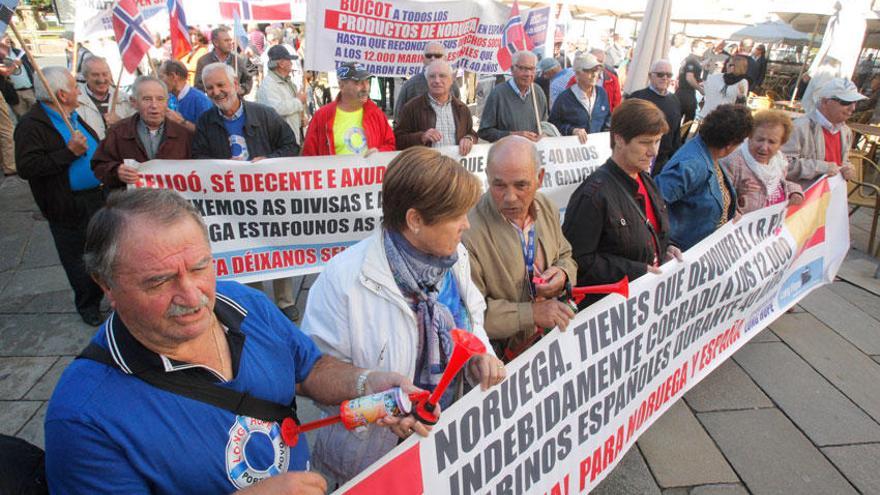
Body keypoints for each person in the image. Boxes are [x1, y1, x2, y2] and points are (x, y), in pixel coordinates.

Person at [45, 188, 423, 494]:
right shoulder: (82, 416)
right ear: (106, 285)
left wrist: (366, 384)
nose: (193, 297)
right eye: (159, 281)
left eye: (199, 267)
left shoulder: (243, 303)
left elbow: (309, 369)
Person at [302, 147, 505, 485]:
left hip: (443, 451)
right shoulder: (344, 278)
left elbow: (473, 322)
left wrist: (480, 357)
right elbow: (312, 375)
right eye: (456, 215)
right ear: (415, 220)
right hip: (367, 466)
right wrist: (378, 403)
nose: (466, 225)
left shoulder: (456, 258)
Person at [462, 136, 576, 359]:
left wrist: (563, 274)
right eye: (499, 185)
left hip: (547, 344)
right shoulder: (467, 232)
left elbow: (565, 254)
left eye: (521, 185)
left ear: (539, 178)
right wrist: (530, 313)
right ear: (487, 177)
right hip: (500, 360)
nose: (510, 197)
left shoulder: (546, 207)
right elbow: (469, 316)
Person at [563, 100, 679, 305]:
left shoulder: (646, 180)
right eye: (644, 142)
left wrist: (666, 249)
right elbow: (577, 261)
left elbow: (650, 231)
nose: (653, 151)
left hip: (644, 303)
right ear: (619, 139)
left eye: (658, 141)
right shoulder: (593, 195)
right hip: (612, 310)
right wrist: (635, 271)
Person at [15, 66, 104, 326]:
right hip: (67, 205)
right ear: (62, 94)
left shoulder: (73, 115)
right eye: (74, 87)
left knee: (102, 250)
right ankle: (88, 305)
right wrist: (68, 153)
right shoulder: (31, 125)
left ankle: (105, 293)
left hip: (96, 198)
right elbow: (27, 167)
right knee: (77, 258)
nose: (79, 91)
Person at [656, 104, 753, 250]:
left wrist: (729, 212)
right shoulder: (692, 165)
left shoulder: (707, 153)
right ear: (730, 144)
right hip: (682, 252)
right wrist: (666, 245)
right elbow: (654, 202)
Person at [91, 76, 193, 190]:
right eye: (147, 99)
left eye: (160, 99)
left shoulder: (183, 135)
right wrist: (117, 171)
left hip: (171, 204)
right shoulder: (118, 132)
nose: (154, 105)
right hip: (132, 204)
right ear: (134, 102)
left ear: (167, 102)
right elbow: (99, 166)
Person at [192, 63, 299, 160]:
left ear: (235, 84)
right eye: (210, 88)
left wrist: (268, 160)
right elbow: (199, 157)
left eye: (220, 85)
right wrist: (223, 166)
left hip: (260, 179)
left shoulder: (265, 115)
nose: (216, 92)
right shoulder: (204, 122)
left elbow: (291, 147)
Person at [782, 78, 864, 187]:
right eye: (846, 102)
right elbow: (782, 165)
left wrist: (847, 167)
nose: (852, 108)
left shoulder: (845, 131)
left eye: (855, 102)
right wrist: (822, 168)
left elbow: (840, 162)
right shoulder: (799, 127)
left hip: (830, 196)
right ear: (825, 102)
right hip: (804, 197)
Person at [301, 62, 395, 156]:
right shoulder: (322, 116)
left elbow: (391, 144)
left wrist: (380, 153)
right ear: (341, 86)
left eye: (367, 81)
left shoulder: (376, 113)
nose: (365, 87)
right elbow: (309, 156)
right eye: (358, 82)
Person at [720, 110, 804, 213]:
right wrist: (736, 194)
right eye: (760, 139)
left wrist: (794, 192)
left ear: (781, 143)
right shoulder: (732, 162)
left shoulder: (780, 161)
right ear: (750, 136)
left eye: (772, 142)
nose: (764, 147)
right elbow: (718, 200)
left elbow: (779, 183)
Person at [394, 60, 477, 155]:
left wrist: (469, 138)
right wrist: (421, 137)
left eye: (442, 76)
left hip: (454, 167)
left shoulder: (462, 109)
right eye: (432, 76)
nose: (437, 81)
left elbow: (471, 133)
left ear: (451, 80)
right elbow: (398, 140)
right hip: (426, 168)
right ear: (427, 80)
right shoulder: (412, 107)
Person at [479, 51, 548, 143]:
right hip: (508, 154)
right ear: (512, 69)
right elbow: (484, 132)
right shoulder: (498, 94)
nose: (528, 74)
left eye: (532, 69)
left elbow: (545, 125)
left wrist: (544, 134)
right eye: (523, 68)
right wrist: (512, 135)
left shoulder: (538, 92)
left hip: (532, 153)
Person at [628, 60, 682, 174]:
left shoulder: (675, 100)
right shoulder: (637, 98)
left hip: (663, 163)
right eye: (660, 74)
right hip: (639, 160)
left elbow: (676, 135)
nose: (665, 78)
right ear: (650, 76)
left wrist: (675, 161)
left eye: (669, 75)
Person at [549, 54, 611, 143]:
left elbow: (607, 119)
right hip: (574, 150)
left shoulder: (602, 93)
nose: (594, 74)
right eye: (589, 71)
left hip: (598, 149)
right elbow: (553, 124)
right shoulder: (564, 98)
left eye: (596, 70)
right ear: (578, 73)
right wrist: (572, 130)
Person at [393, 41, 461, 122]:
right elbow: (398, 120)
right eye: (429, 56)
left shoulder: (452, 84)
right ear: (423, 59)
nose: (433, 58)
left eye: (437, 55)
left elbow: (460, 115)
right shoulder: (410, 86)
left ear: (445, 59)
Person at [256, 45, 308, 146]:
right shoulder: (269, 85)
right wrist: (299, 101)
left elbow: (289, 107)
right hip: (280, 142)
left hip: (289, 138)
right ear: (281, 64)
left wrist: (300, 119)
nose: (291, 63)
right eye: (289, 60)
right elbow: (276, 110)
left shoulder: (286, 82)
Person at [76, 57, 134, 140]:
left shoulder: (125, 99)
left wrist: (120, 123)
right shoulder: (75, 101)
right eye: (95, 75)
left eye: (105, 74)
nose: (101, 80)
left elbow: (137, 133)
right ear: (85, 76)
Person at [194, 26, 255, 96]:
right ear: (216, 42)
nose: (230, 43)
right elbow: (198, 86)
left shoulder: (238, 60)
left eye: (230, 40)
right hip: (213, 103)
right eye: (226, 40)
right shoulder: (204, 61)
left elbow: (248, 79)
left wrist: (243, 89)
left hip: (234, 103)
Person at [157, 59, 213, 132]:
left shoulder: (200, 100)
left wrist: (181, 122)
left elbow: (209, 133)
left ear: (173, 76)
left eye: (161, 77)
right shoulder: (168, 98)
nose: (159, 82)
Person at [674, 39, 705, 124]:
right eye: (702, 47)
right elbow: (689, 78)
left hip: (682, 92)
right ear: (694, 48)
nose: (704, 49)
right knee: (688, 121)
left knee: (677, 120)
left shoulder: (690, 59)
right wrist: (700, 89)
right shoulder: (692, 60)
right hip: (686, 93)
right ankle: (682, 137)